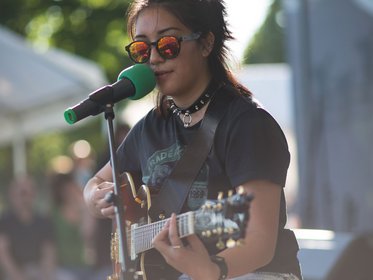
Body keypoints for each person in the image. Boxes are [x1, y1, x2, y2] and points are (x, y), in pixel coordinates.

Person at [83, 0, 302, 279]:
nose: (153, 58)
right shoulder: (148, 127)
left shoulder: (249, 125)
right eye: (141, 48)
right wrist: (94, 198)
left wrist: (213, 269)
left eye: (168, 44)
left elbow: (259, 240)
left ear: (206, 43)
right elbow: (96, 182)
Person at [0, 176, 57, 280]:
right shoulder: (4, 221)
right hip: (13, 273)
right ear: (12, 195)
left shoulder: (43, 221)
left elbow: (48, 252)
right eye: (22, 193)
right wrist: (18, 276)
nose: (25, 198)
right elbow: (3, 253)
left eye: (29, 193)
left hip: (38, 271)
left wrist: (46, 275)